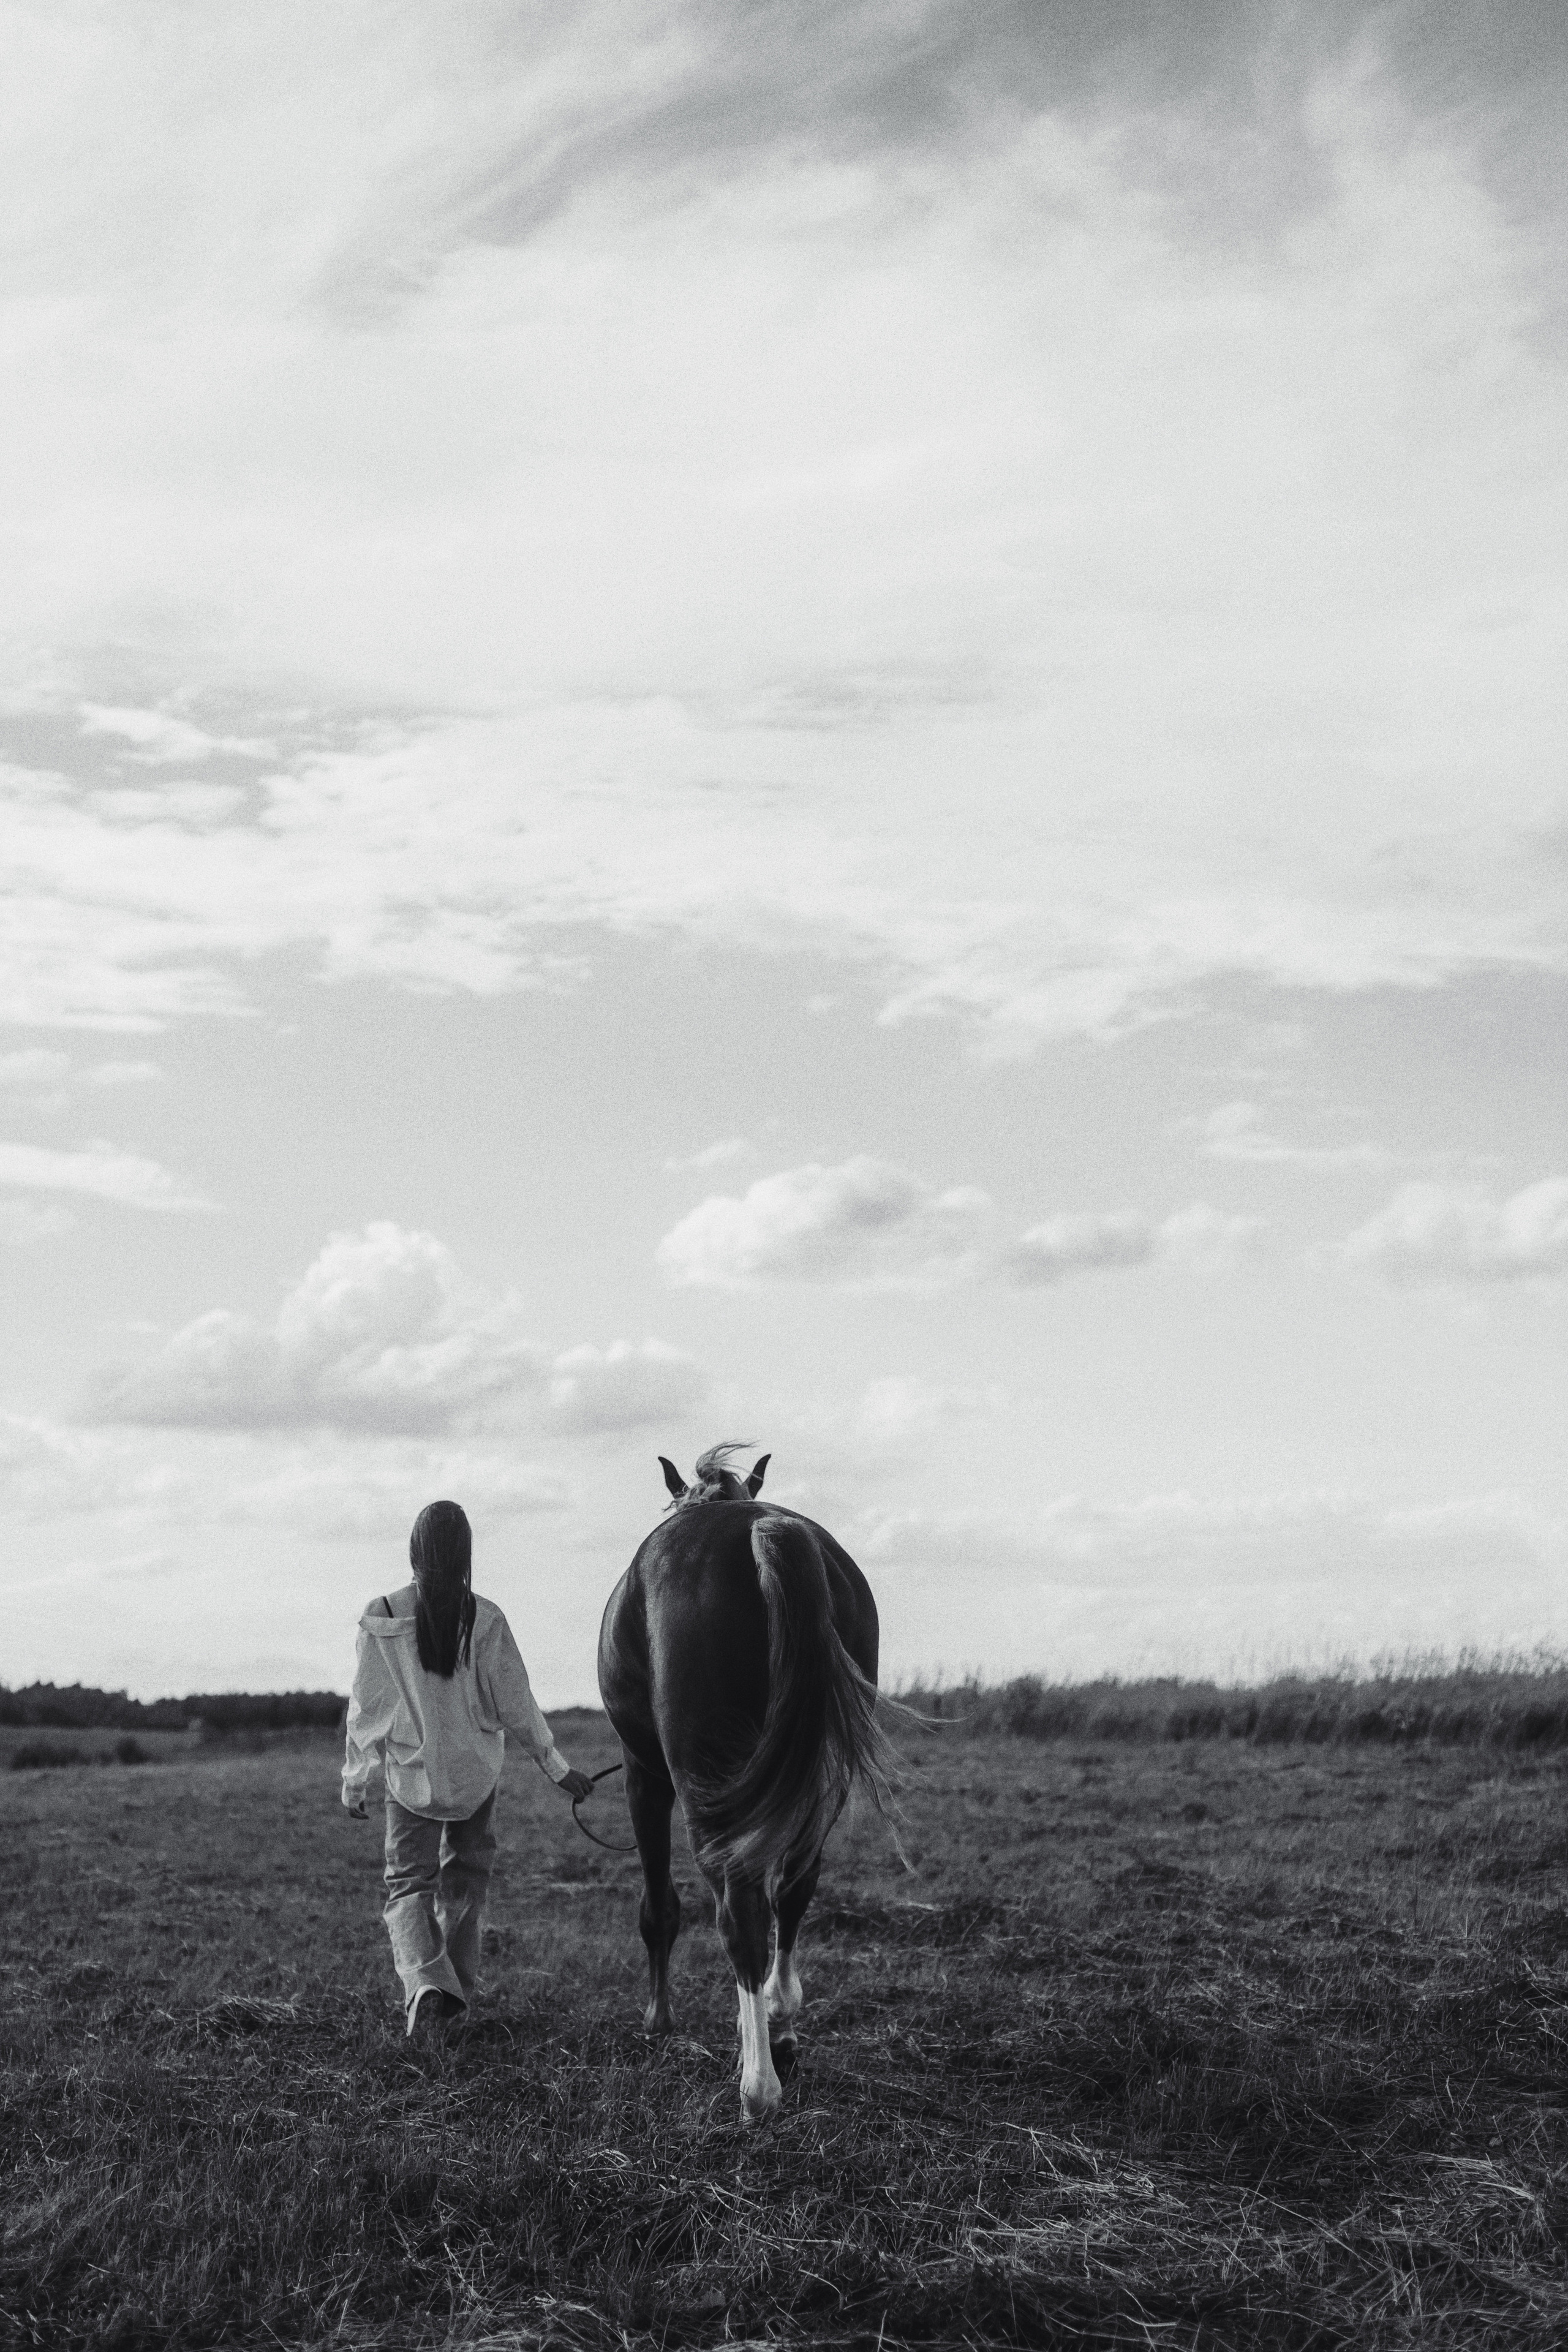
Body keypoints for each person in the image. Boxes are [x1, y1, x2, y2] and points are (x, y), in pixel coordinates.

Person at [342, 1498, 595, 2045]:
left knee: (408, 1884)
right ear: (466, 1553)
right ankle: (451, 1991)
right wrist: (557, 1767)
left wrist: (356, 1775)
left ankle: (428, 1984)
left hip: (411, 1776)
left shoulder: (382, 1613)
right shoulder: (486, 1618)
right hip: (476, 1776)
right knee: (466, 1883)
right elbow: (517, 1705)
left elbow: (368, 1705)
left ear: (414, 1549)